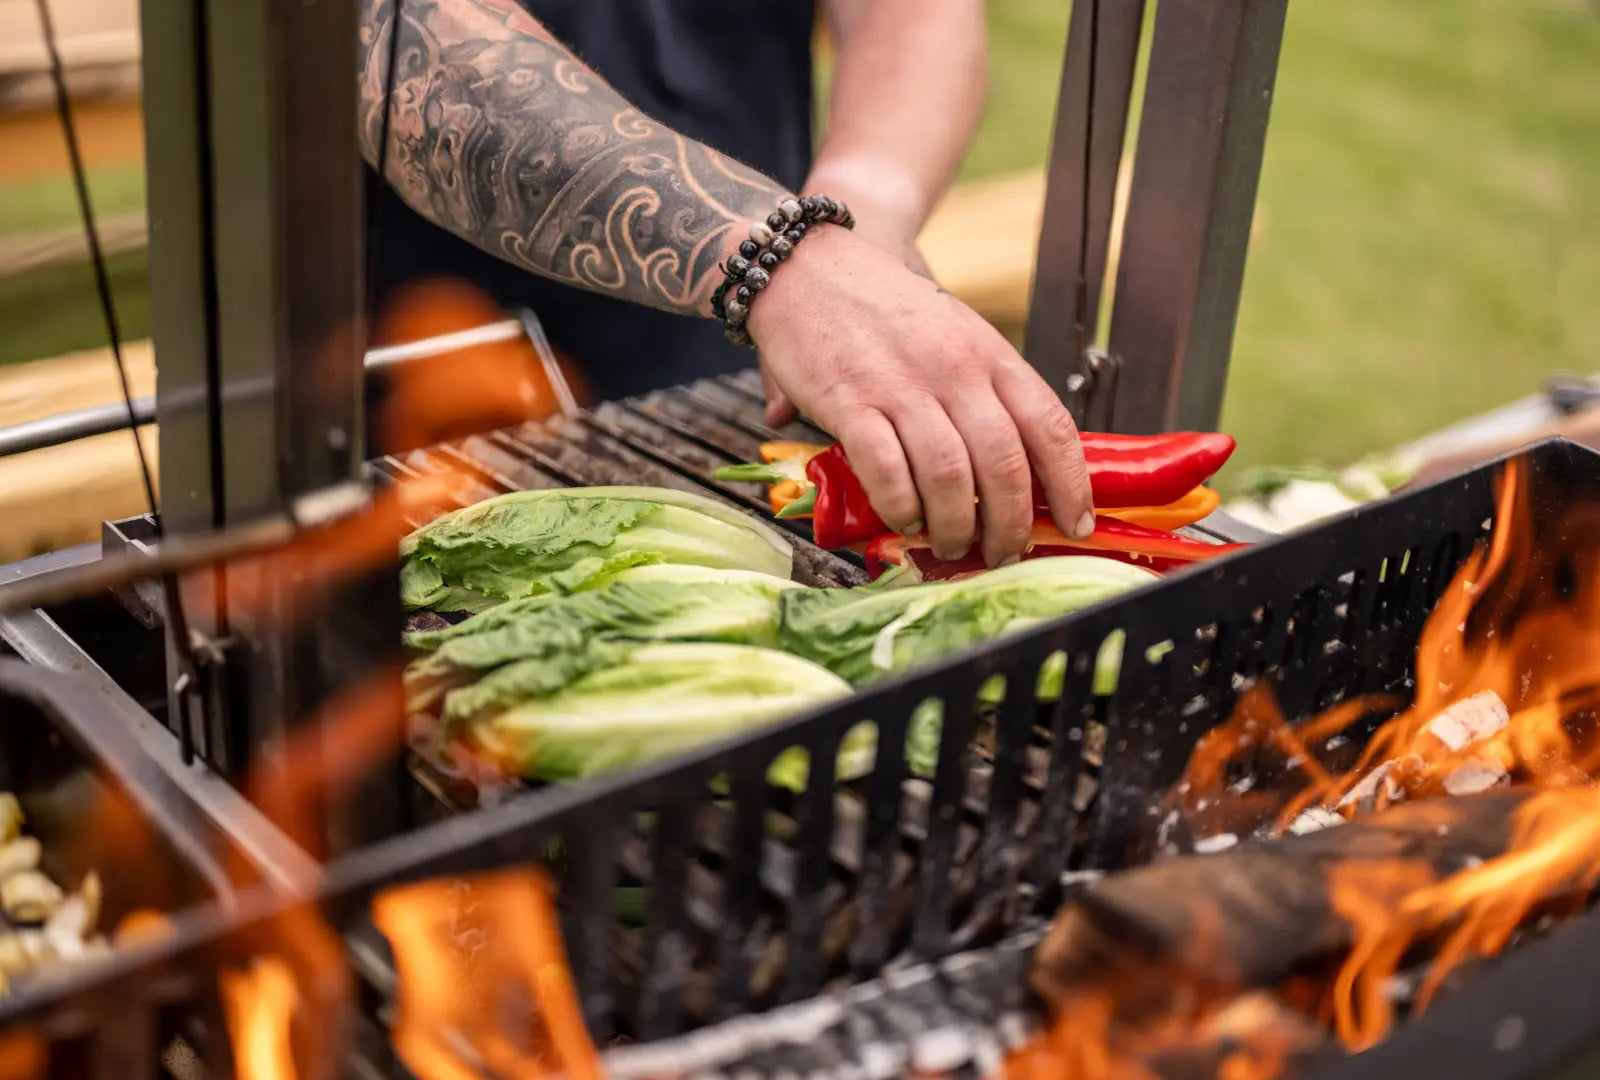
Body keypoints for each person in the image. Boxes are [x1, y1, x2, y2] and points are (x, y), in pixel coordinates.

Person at [358, 0, 1095, 570]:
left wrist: (865, 212)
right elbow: (391, 44)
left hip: (745, 368)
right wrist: (779, 258)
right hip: (398, 391)